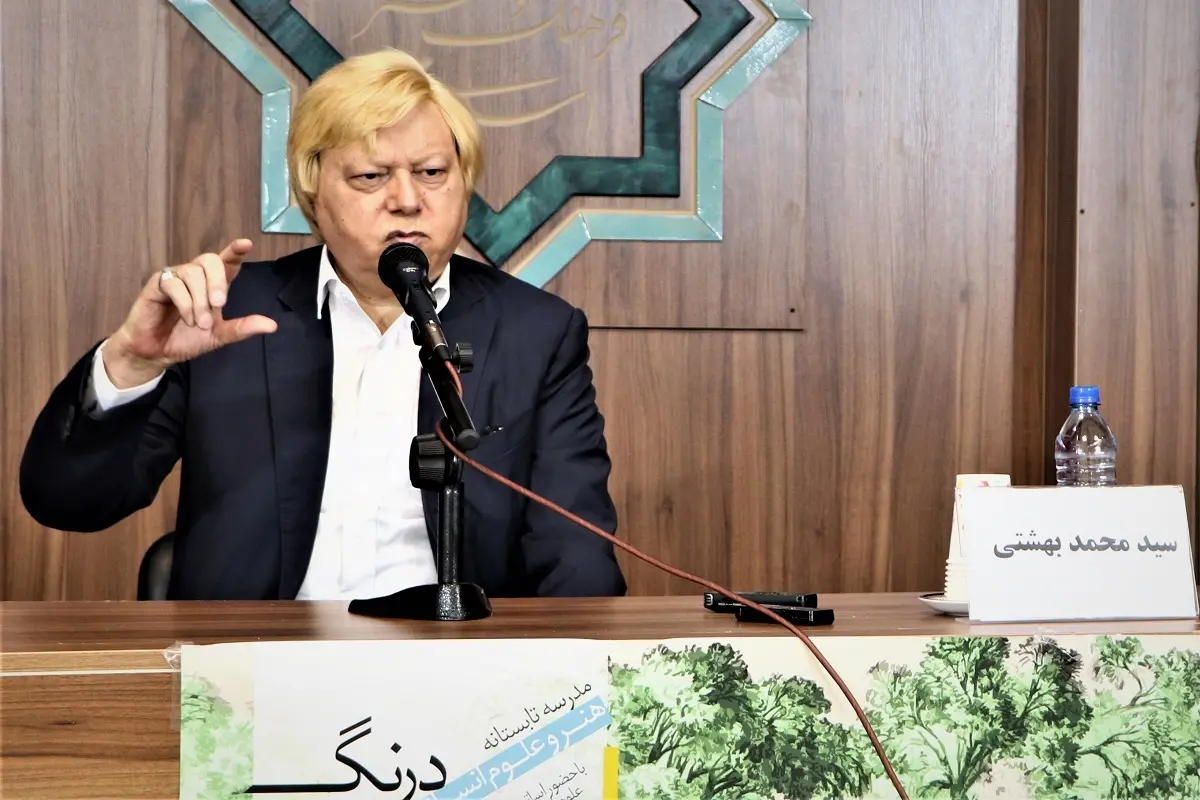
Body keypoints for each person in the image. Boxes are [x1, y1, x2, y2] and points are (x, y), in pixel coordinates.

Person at [19, 49, 626, 601]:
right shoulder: (223, 314)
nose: (407, 199)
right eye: (371, 177)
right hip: (254, 664)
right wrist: (131, 364)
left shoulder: (536, 332)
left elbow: (575, 556)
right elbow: (68, 502)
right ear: (313, 191)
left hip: (457, 662)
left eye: (432, 172)